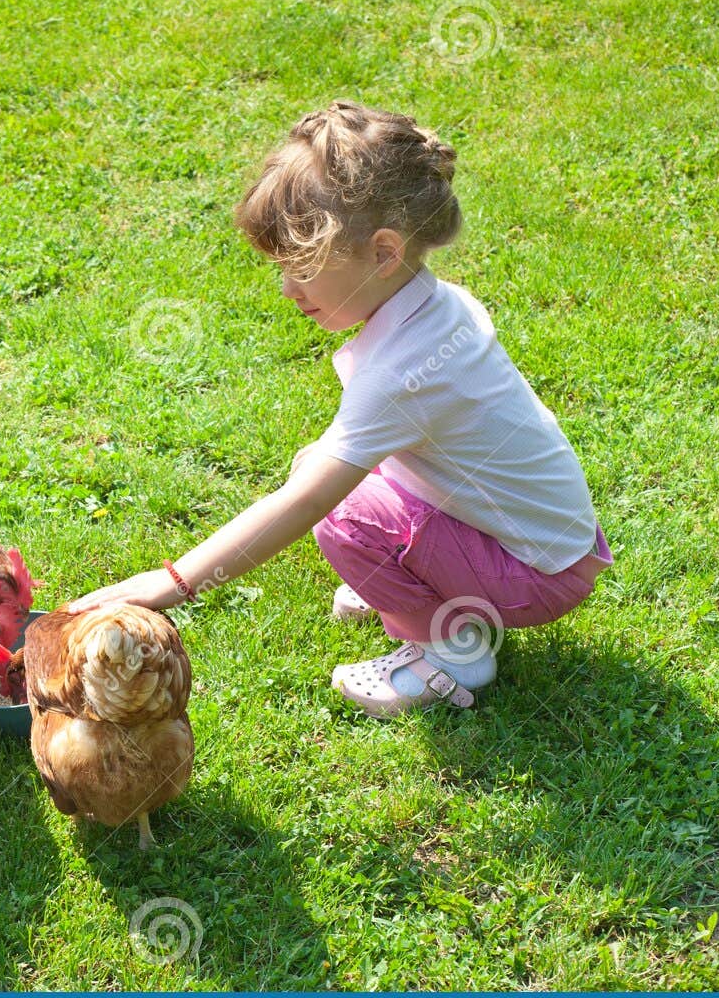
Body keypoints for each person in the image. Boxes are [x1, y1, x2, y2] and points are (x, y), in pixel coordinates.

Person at [69, 101, 611, 717]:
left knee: (344, 514)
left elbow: (306, 504)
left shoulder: (404, 372)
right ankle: (427, 590)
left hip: (534, 575)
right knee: (324, 467)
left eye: (300, 267)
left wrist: (171, 583)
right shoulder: (437, 307)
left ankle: (451, 647)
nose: (287, 290)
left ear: (383, 254)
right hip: (554, 544)